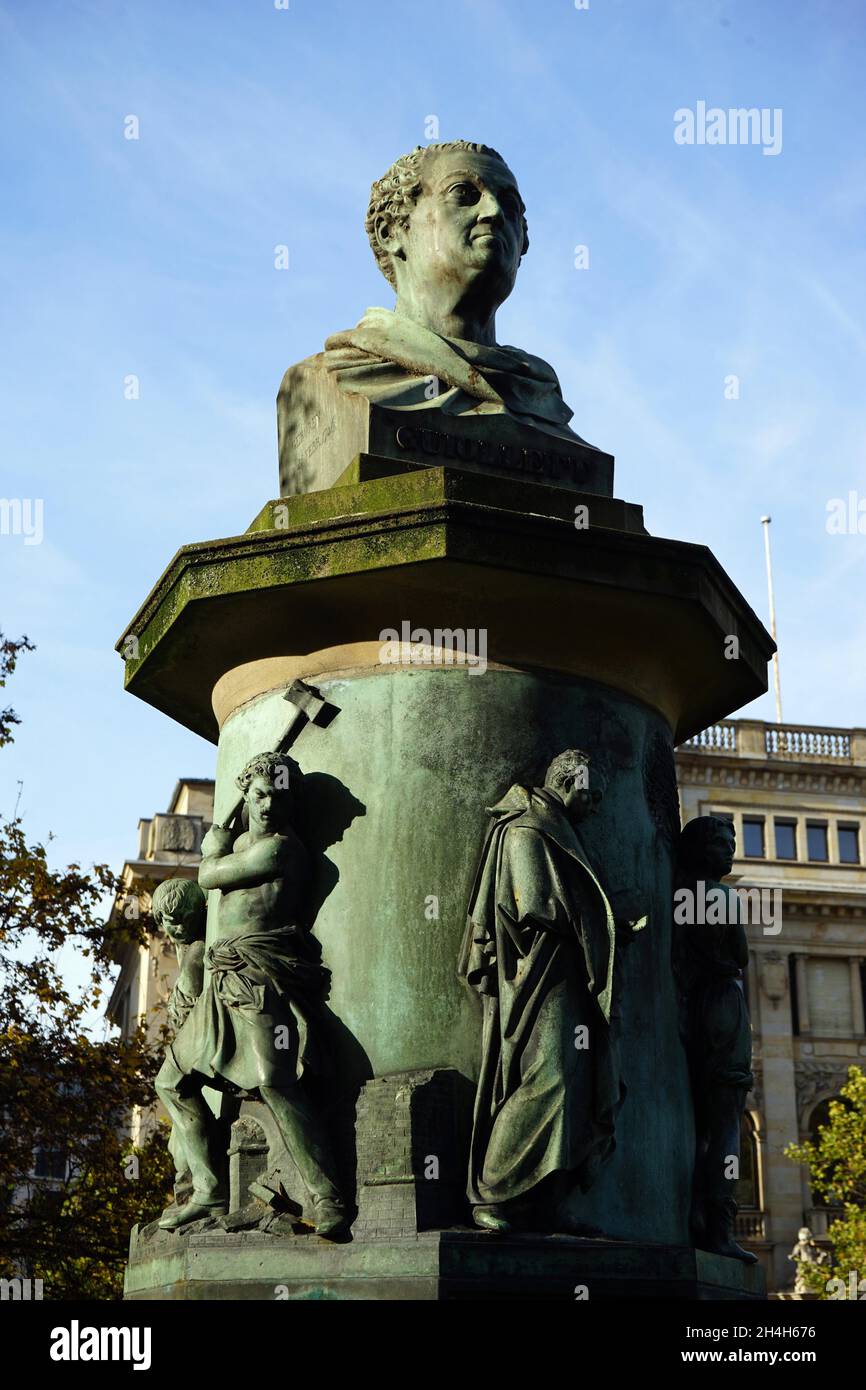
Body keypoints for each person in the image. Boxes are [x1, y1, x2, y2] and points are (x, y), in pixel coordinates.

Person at [155, 752, 347, 1238]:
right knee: (171, 1081)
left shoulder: (282, 849)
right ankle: (209, 1191)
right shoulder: (245, 840)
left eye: (278, 797)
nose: (267, 805)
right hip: (223, 978)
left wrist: (212, 849)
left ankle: (327, 1197)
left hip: (259, 977)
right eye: (259, 794)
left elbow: (211, 876)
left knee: (275, 1081)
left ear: (290, 805)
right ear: (246, 795)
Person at [458, 749, 635, 1233]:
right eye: (591, 793)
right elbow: (533, 905)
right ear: (566, 781)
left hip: (567, 972)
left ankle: (548, 1201)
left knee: (575, 1085)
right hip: (539, 975)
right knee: (551, 1076)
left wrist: (609, 927)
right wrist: (604, 925)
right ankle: (494, 1191)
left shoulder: (559, 829)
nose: (596, 804)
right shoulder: (526, 829)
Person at [674, 815, 757, 1263]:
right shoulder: (721, 896)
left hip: (689, 1006)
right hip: (723, 1003)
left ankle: (693, 1215)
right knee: (727, 1121)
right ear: (701, 849)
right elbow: (741, 955)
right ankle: (720, 1229)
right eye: (721, 843)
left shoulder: (676, 893)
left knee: (700, 1123)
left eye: (733, 842)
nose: (730, 850)